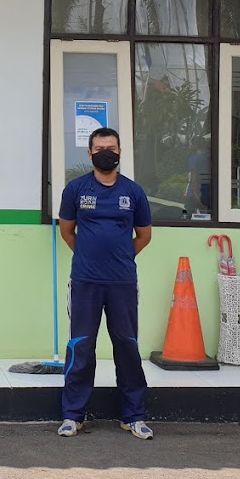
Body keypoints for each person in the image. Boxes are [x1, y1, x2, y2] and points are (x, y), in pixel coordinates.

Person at [56, 127, 153, 440]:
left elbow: (145, 235)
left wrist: (121, 256)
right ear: (90, 154)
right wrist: (89, 256)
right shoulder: (75, 190)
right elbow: (67, 231)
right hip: (85, 281)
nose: (105, 152)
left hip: (122, 282)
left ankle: (133, 416)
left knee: (127, 346)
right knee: (81, 347)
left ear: (120, 151)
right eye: (99, 148)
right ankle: (73, 416)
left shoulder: (134, 192)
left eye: (111, 147)